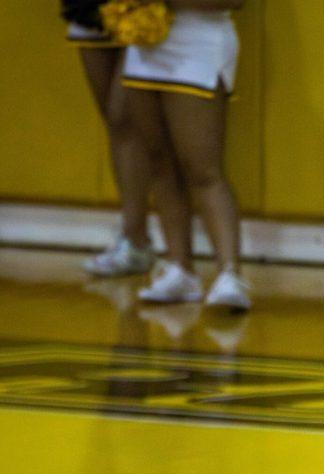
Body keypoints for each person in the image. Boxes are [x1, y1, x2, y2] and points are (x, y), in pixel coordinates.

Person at [122, 0, 250, 310]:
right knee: (159, 162)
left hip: (199, 42)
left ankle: (229, 274)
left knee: (203, 169)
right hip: (145, 41)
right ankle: (179, 267)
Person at [62, 0, 192, 277]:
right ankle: (135, 238)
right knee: (116, 123)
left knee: (125, 116)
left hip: (144, 9)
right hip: (89, 10)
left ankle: (139, 238)